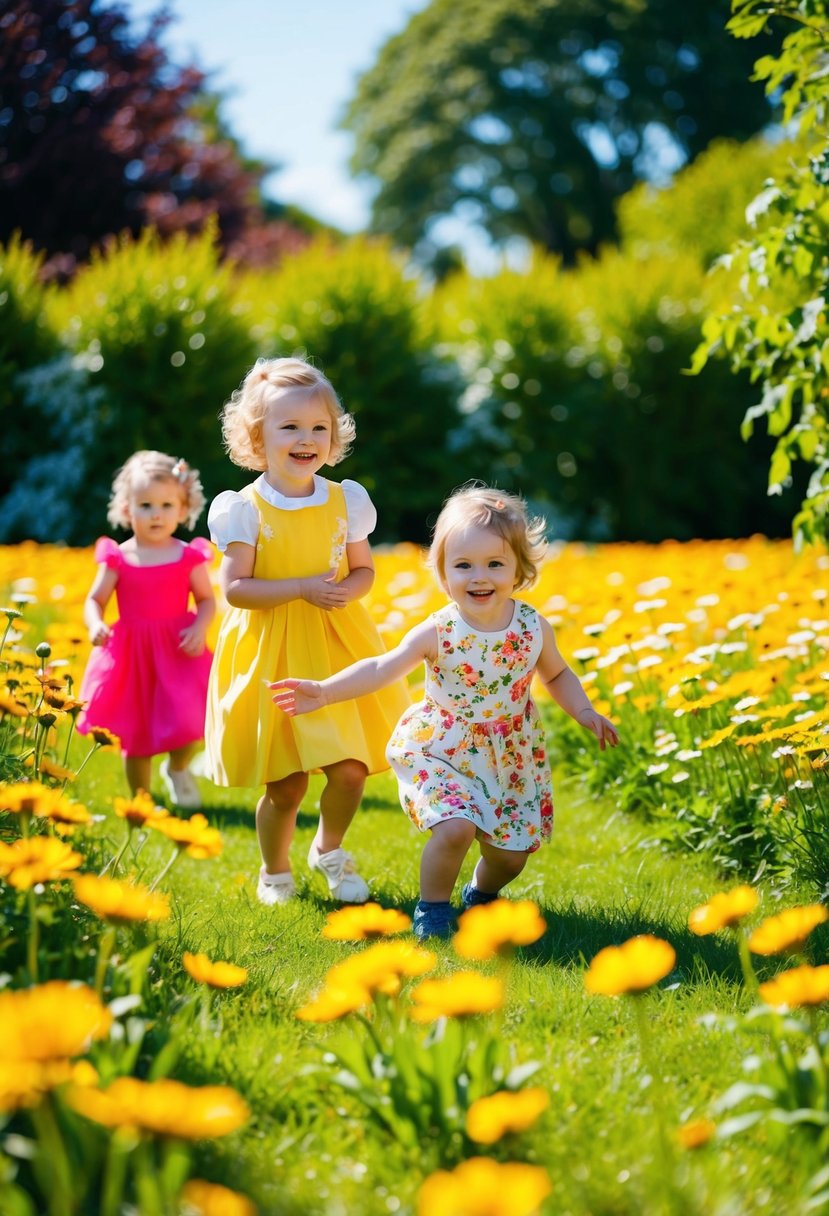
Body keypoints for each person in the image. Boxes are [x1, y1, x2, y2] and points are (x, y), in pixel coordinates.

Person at [272, 484, 620, 939]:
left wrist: (584, 710)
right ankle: (432, 910)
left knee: (511, 855)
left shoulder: (532, 626)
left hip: (508, 756)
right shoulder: (440, 629)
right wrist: (324, 690)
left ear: (519, 569)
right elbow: (383, 667)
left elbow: (556, 675)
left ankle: (480, 896)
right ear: (444, 572)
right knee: (454, 828)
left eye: (495, 564)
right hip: (442, 747)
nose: (479, 577)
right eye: (464, 565)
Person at [205, 356, 410, 908]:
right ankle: (275, 872)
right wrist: (299, 588)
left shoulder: (345, 499)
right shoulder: (244, 509)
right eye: (290, 427)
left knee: (349, 769)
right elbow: (237, 589)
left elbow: (363, 570)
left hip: (336, 644)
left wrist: (351, 589)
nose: (306, 439)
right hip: (273, 651)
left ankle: (329, 848)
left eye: (319, 427)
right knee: (288, 782)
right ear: (257, 436)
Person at [77, 451, 215, 807]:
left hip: (177, 648)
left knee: (190, 717)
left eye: (167, 505)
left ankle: (178, 767)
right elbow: (95, 600)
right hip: (132, 653)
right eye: (146, 505)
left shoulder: (188, 556)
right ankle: (140, 801)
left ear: (184, 509)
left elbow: (206, 600)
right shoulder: (119, 558)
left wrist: (201, 626)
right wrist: (95, 624)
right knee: (135, 733)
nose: (157, 513)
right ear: (126, 509)